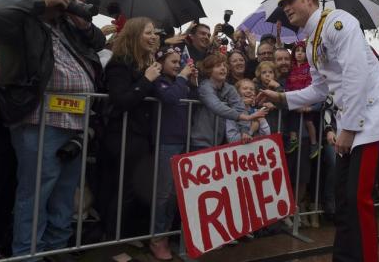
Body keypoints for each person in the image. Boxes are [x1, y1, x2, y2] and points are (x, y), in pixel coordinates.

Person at [258, 0, 379, 262]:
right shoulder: (312, 40)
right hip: (353, 123)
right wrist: (283, 98)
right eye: (283, 2)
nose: (286, 7)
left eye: (290, 0)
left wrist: (348, 129)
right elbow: (320, 89)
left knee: (357, 199)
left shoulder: (338, 23)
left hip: (370, 119)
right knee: (344, 199)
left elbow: (356, 75)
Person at [0, 0, 105, 261]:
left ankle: (56, 248)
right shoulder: (20, 20)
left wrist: (83, 24)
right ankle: (29, 255)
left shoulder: (63, 24)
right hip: (38, 119)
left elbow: (99, 44)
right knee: (36, 195)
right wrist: (41, 2)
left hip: (75, 119)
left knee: (64, 195)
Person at [101, 17, 161, 239]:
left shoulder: (145, 63)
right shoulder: (119, 63)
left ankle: (127, 237)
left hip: (142, 136)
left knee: (135, 191)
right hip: (124, 136)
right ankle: (112, 242)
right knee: (122, 190)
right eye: (148, 32)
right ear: (135, 35)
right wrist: (147, 79)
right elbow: (121, 99)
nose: (153, 36)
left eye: (154, 32)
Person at [151, 45, 198, 260]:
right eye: (173, 62)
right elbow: (170, 98)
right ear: (160, 63)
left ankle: (168, 234)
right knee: (164, 193)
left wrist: (193, 83)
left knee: (174, 194)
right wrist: (182, 78)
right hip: (166, 143)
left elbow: (194, 101)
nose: (178, 65)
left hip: (183, 142)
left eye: (179, 62)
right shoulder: (159, 81)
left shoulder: (179, 82)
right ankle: (158, 238)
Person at [190, 54, 267, 150]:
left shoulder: (229, 88)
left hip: (219, 142)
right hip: (200, 141)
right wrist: (246, 117)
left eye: (224, 65)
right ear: (209, 71)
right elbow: (216, 106)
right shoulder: (205, 86)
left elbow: (240, 107)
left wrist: (244, 131)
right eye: (218, 66)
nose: (223, 68)